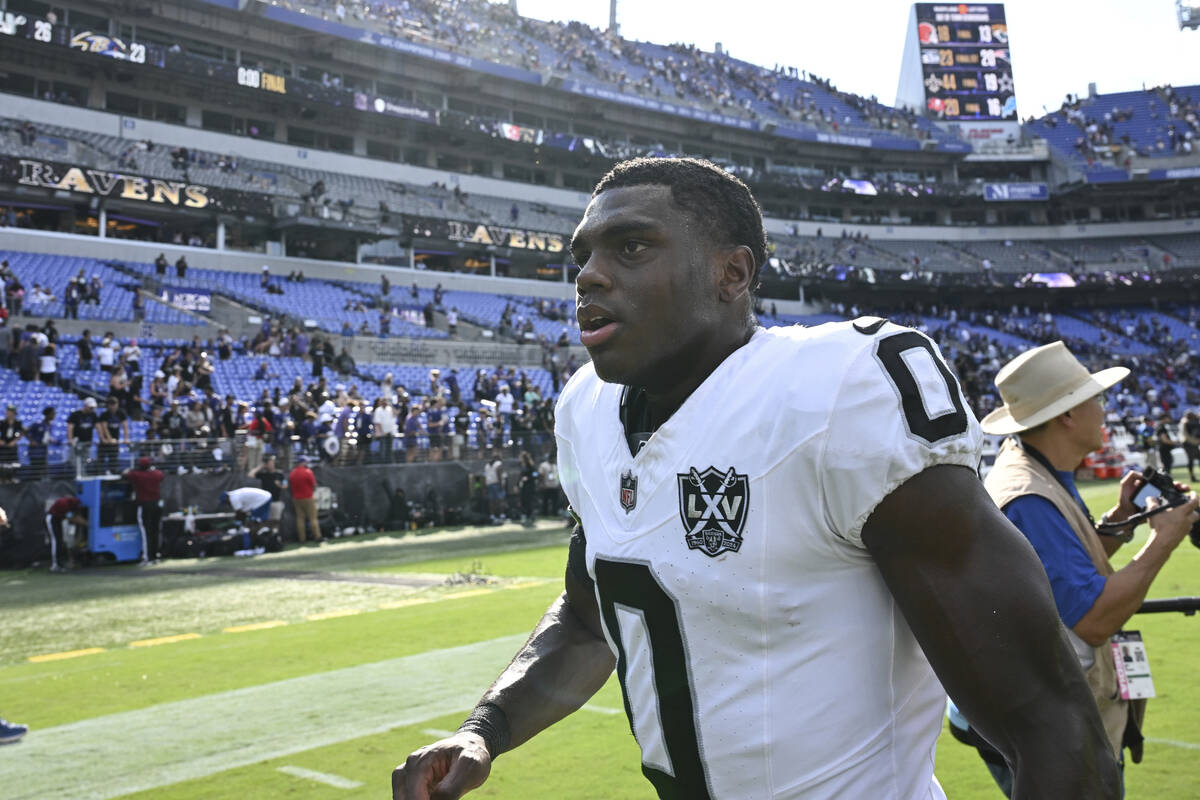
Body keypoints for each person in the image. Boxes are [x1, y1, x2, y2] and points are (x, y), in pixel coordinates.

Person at [392, 158, 1120, 800]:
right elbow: (591, 612)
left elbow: (1052, 723)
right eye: (581, 255)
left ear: (731, 274)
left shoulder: (835, 392)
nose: (588, 274)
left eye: (632, 246)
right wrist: (483, 730)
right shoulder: (585, 407)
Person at [973, 341, 1199, 796]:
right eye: (1095, 399)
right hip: (1051, 729)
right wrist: (1163, 539)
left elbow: (1059, 569)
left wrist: (1120, 519)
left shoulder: (1038, 473)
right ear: (1067, 415)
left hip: (1039, 713)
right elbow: (1093, 618)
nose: (1104, 408)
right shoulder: (1030, 499)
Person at [124, 457, 165, 564]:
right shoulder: (156, 473)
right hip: (157, 505)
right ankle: (156, 556)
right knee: (156, 531)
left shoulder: (137, 475)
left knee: (146, 532)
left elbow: (125, 474)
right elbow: (161, 475)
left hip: (144, 505)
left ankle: (148, 558)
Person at [45, 494, 87, 572]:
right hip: (52, 519)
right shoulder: (64, 503)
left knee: (59, 541)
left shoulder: (71, 503)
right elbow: (71, 518)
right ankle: (55, 565)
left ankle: (58, 564)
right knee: (56, 541)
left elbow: (74, 515)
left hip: (58, 520)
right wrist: (86, 523)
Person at [288, 455, 322, 543]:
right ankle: (318, 537)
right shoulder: (308, 472)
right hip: (308, 497)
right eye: (306, 462)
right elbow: (314, 485)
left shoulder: (292, 473)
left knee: (300, 519)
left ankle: (302, 539)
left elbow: (291, 487)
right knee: (313, 518)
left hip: (296, 498)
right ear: (302, 462)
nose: (307, 464)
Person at [249, 454, 287, 527]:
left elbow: (285, 486)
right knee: (266, 520)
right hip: (266, 502)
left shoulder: (279, 474)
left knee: (276, 520)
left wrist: (279, 485)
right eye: (268, 462)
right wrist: (261, 466)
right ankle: (267, 535)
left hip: (276, 501)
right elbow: (251, 475)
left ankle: (275, 535)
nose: (270, 464)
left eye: (271, 462)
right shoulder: (264, 474)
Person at [96, 396, 128, 474]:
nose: (114, 406)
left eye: (115, 404)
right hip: (105, 441)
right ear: (109, 405)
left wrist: (126, 438)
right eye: (112, 404)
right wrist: (109, 439)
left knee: (113, 458)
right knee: (101, 458)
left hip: (115, 440)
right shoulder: (105, 414)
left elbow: (125, 426)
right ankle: (100, 472)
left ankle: (113, 472)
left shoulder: (121, 413)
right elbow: (104, 427)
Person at [67, 397, 99, 470]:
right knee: (74, 460)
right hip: (77, 441)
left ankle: (83, 474)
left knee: (85, 460)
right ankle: (77, 475)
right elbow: (70, 427)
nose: (92, 409)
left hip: (87, 442)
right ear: (85, 405)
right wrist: (70, 439)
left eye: (93, 408)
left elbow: (98, 427)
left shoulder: (93, 415)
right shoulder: (76, 414)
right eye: (90, 407)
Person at [26, 405, 55, 472]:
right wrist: (31, 441)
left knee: (42, 470)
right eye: (53, 414)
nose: (54, 415)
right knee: (35, 470)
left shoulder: (49, 425)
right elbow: (25, 431)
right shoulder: (38, 424)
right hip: (35, 451)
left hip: (43, 451)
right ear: (48, 414)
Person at [1182, 409, 1200, 481]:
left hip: (1195, 443)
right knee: (1191, 460)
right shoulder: (1185, 423)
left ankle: (1193, 476)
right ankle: (1192, 476)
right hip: (1188, 444)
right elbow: (1185, 435)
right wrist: (1193, 441)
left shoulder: (1195, 422)